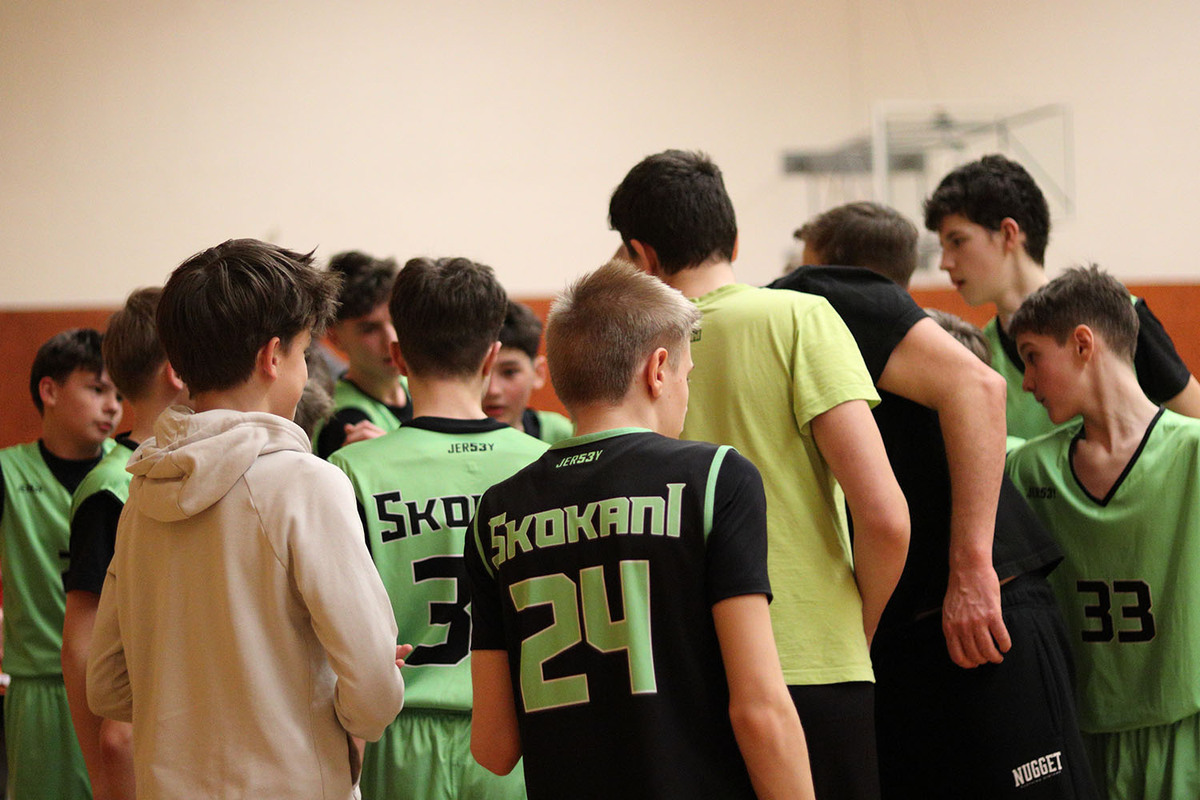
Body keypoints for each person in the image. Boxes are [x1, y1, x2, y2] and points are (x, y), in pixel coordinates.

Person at [609, 149, 909, 800]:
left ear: (640, 254)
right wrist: (850, 632)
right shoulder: (800, 318)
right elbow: (885, 517)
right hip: (812, 667)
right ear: (735, 240)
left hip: (678, 675)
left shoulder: (627, 356)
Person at [777, 201, 1097, 799]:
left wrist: (973, 570)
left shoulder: (818, 299)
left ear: (841, 275)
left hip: (983, 611)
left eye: (807, 265)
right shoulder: (874, 351)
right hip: (911, 638)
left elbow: (982, 387)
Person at [466, 259, 815, 799]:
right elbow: (760, 708)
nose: (685, 392)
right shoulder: (715, 477)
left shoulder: (497, 511)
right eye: (687, 376)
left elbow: (494, 746)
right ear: (658, 370)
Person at [86, 239, 407, 799]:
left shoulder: (142, 493)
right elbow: (375, 694)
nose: (305, 371)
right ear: (273, 356)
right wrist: (343, 701)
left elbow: (109, 687)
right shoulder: (307, 483)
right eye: (304, 353)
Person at [330, 257, 547, 800]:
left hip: (400, 737)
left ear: (398, 354)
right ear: (491, 356)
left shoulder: (351, 470)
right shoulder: (545, 466)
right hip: (519, 736)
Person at [1006, 265, 1200, 799]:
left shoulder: (1193, 451)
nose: (1026, 382)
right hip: (1081, 734)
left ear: (1082, 344)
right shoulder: (1028, 468)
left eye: (1032, 357)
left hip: (1185, 728)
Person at [924, 154, 1200, 439]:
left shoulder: (1119, 317)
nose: (944, 263)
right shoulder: (981, 357)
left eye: (957, 241)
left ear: (1008, 234)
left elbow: (1194, 421)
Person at [62, 288, 186, 800]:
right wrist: (102, 772)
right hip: (134, 745)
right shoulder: (111, 488)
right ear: (177, 370)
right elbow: (82, 640)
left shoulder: (187, 468)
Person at [0, 328, 122, 800]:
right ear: (49, 391)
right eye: (97, 389)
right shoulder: (9, 472)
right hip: (39, 685)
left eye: (118, 394)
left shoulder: (130, 470)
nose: (112, 406)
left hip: (115, 685)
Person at [313, 250, 412, 458]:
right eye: (370, 329)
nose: (392, 339)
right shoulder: (344, 420)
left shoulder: (418, 387)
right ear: (334, 337)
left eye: (396, 321)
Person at [483, 300, 574, 444]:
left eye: (509, 372)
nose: (493, 390)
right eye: (482, 371)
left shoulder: (562, 436)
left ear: (538, 372)